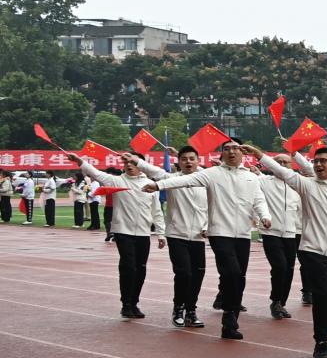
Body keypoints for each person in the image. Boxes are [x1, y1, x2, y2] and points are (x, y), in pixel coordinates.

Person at [145, 138, 270, 340]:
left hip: (243, 234)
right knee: (231, 272)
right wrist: (158, 185)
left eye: (235, 149)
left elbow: (259, 200)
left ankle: (230, 320)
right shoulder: (212, 174)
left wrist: (265, 216)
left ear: (243, 153)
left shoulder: (251, 177)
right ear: (222, 154)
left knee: (239, 277)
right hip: (219, 232)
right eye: (227, 149)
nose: (231, 152)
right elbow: (184, 180)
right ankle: (207, 310)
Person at [250, 144, 327, 358]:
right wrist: (260, 154)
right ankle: (320, 342)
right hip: (312, 250)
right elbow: (282, 172)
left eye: (323, 161)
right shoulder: (307, 185)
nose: (318, 165)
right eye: (316, 161)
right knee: (323, 296)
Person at [130, 146, 208, 328]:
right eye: (184, 159)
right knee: (184, 273)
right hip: (176, 234)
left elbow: (211, 207)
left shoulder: (206, 181)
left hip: (198, 236)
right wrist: (136, 161)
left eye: (192, 159)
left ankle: (191, 311)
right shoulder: (171, 179)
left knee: (198, 274)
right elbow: (154, 171)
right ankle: (178, 308)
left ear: (198, 161)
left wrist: (206, 226)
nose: (188, 162)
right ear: (178, 162)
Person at [79, 154, 161, 316]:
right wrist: (80, 162)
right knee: (128, 266)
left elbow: (156, 211)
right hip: (123, 232)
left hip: (143, 233)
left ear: (141, 165)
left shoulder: (150, 185)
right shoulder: (117, 181)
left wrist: (161, 233)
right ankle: (126, 304)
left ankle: (134, 302)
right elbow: (96, 173)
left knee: (141, 268)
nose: (129, 165)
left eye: (133, 163)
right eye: (126, 163)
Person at [258, 151, 303, 319]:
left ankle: (281, 303)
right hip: (271, 232)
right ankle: (275, 301)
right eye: (279, 162)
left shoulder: (297, 185)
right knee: (280, 267)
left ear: (292, 166)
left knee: (289, 269)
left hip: (291, 233)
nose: (283, 165)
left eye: (286, 162)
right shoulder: (263, 181)